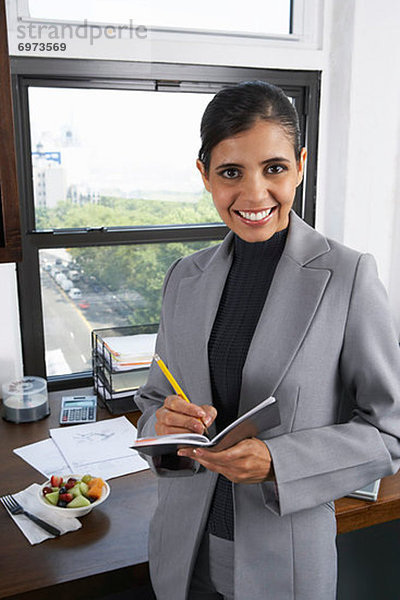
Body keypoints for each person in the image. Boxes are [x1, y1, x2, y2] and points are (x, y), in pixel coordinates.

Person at [135, 81, 400, 600]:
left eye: (274, 168)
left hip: (285, 563)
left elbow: (390, 432)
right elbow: (150, 402)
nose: (254, 194)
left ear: (300, 165)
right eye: (230, 172)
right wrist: (162, 426)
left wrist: (280, 462)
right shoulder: (183, 278)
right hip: (180, 553)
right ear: (204, 176)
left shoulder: (348, 277)